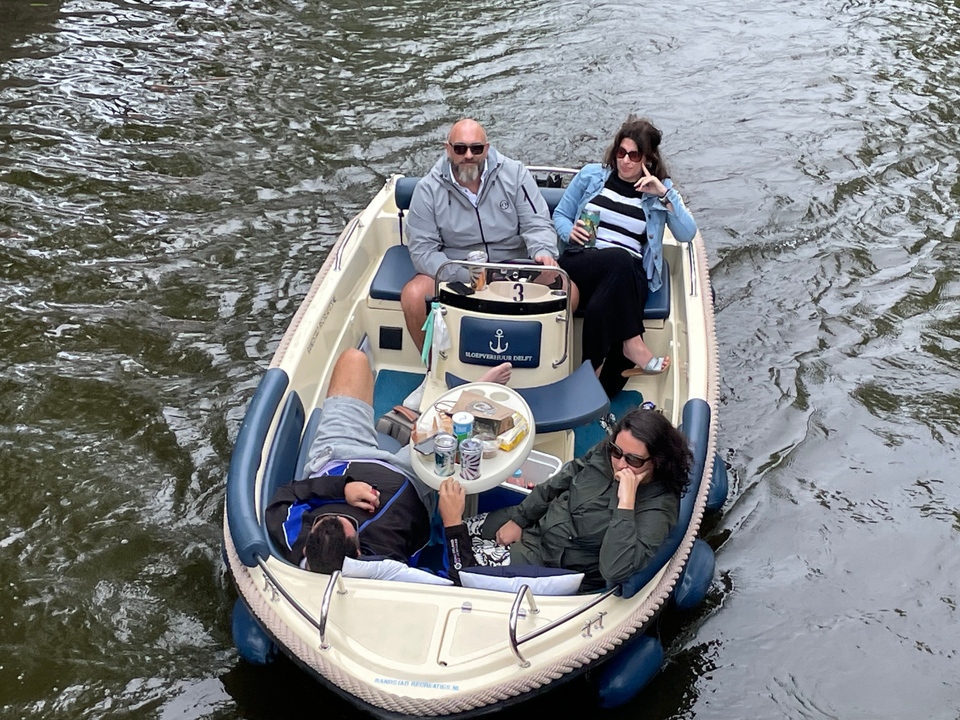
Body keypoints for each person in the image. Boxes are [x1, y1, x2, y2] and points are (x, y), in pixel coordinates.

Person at [264, 348, 510, 574]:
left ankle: (443, 404)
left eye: (327, 518)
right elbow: (457, 580)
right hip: (409, 478)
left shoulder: (296, 538)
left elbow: (287, 494)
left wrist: (343, 489)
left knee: (353, 359)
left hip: (340, 456)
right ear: (358, 554)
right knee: (450, 435)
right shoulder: (387, 564)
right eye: (348, 521)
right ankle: (470, 395)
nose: (344, 513)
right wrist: (452, 522)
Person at [438, 408, 692, 592]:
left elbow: (615, 569)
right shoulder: (609, 454)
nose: (619, 463)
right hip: (538, 524)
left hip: (550, 563)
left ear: (657, 461)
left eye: (633, 460)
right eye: (616, 451)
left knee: (464, 571)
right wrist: (520, 519)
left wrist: (626, 503)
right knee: (459, 527)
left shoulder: (659, 508)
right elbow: (563, 479)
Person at [553, 116, 698, 397]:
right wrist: (570, 231)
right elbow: (560, 214)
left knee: (602, 304)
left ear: (649, 158)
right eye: (621, 152)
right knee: (619, 258)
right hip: (583, 260)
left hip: (628, 273)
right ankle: (632, 343)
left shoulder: (657, 191)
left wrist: (664, 193)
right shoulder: (591, 176)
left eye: (634, 155)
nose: (626, 161)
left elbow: (687, 233)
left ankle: (592, 378)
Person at [400, 118, 561, 354]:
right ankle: (434, 369)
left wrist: (543, 254)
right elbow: (422, 252)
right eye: (460, 148)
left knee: (570, 292)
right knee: (413, 296)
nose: (468, 155)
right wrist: (470, 272)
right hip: (458, 269)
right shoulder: (427, 189)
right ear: (448, 150)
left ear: (486, 149)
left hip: (514, 265)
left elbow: (537, 223)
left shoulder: (515, 174)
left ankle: (545, 365)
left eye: (476, 148)